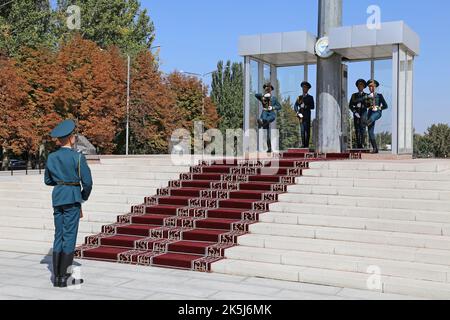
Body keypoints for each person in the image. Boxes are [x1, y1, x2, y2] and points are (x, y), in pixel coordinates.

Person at [45, 119, 93, 287]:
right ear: (71, 138)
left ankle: (57, 277)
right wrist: (82, 196)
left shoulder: (51, 157)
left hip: (58, 197)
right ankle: (65, 278)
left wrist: (61, 183)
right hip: (72, 197)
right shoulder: (78, 157)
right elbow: (87, 183)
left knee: (59, 234)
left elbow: (47, 180)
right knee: (70, 236)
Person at [255, 82, 282, 153]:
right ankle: (269, 148)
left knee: (267, 120)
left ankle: (262, 123)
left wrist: (273, 107)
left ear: (271, 90)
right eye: (266, 89)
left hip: (271, 114)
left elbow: (279, 107)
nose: (267, 90)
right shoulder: (263, 97)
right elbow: (256, 95)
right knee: (266, 134)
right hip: (264, 114)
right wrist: (263, 95)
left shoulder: (274, 98)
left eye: (269, 89)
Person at [365, 80, 388, 154]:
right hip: (370, 112)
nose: (370, 88)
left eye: (372, 86)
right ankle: (375, 148)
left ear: (375, 87)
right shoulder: (367, 96)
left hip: (377, 113)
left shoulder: (379, 95)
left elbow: (385, 106)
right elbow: (367, 106)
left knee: (370, 119)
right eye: (369, 87)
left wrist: (378, 108)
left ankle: (366, 122)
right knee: (370, 132)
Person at [294, 81, 315, 149]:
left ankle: (306, 145)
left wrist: (305, 106)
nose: (304, 89)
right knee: (302, 130)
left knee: (307, 131)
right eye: (303, 87)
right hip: (301, 116)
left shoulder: (310, 97)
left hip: (307, 116)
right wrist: (297, 112)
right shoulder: (299, 97)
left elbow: (312, 106)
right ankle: (303, 144)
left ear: (308, 89)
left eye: (305, 88)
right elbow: (295, 105)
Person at [349, 79, 368, 149]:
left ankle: (363, 143)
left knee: (363, 129)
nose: (360, 87)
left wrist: (363, 103)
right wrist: (354, 111)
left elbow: (368, 104)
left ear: (363, 87)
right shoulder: (354, 95)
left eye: (361, 85)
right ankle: (358, 144)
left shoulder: (366, 95)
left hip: (363, 113)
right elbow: (350, 105)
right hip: (356, 113)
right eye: (358, 86)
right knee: (357, 129)